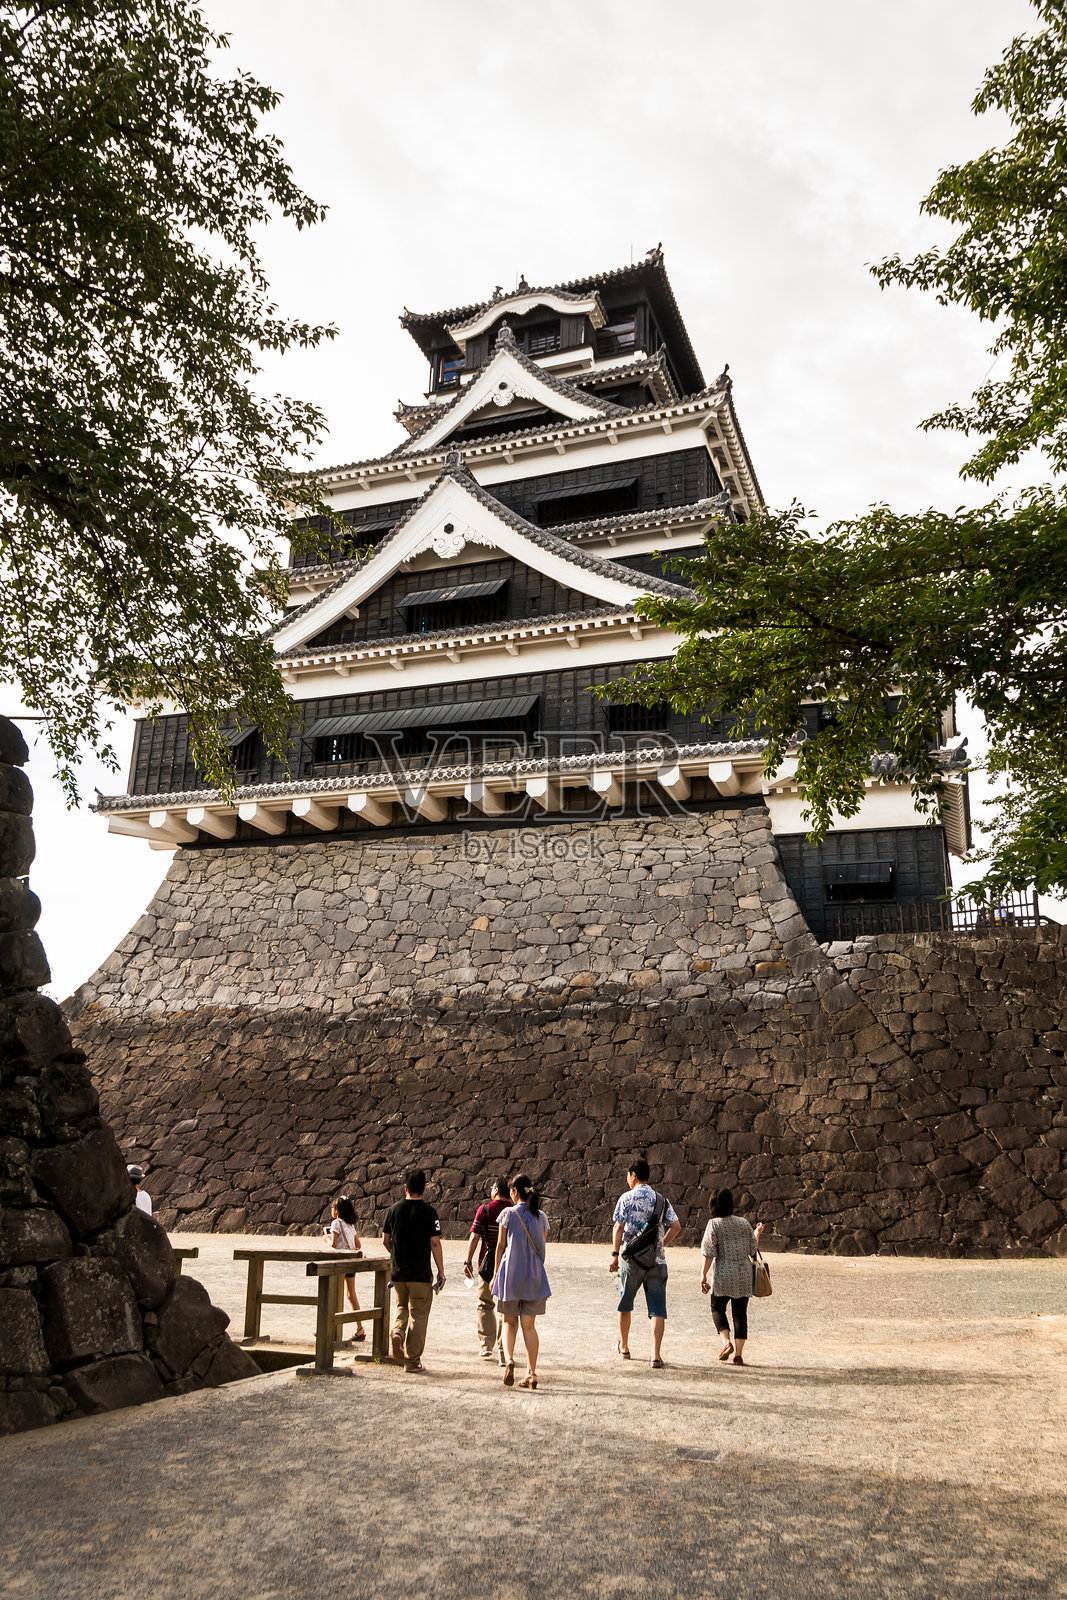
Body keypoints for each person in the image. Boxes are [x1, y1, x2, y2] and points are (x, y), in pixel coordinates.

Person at [609, 1157, 681, 1369]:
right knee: (657, 1308)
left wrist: (615, 1254)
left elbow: (618, 1227)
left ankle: (625, 1347)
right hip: (657, 1260)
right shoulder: (661, 1200)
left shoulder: (626, 1198)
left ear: (633, 1175)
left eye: (627, 1176)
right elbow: (676, 1226)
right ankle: (655, 1355)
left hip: (632, 1260)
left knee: (625, 1303)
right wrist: (662, 1243)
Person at [382, 1170, 444, 1374]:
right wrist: (441, 1271)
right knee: (418, 1315)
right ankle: (412, 1361)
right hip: (420, 1274)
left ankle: (397, 1332)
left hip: (398, 1274)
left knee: (401, 1306)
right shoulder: (429, 1212)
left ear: (405, 1188)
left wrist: (396, 1255)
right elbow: (435, 1243)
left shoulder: (393, 1210)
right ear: (424, 1189)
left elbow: (385, 1240)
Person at [491, 1174, 550, 1390]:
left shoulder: (507, 1214)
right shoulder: (541, 1217)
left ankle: (509, 1361)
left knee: (508, 1322)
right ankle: (532, 1373)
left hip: (511, 1275)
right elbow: (541, 1247)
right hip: (533, 1276)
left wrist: (495, 1275)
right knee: (529, 1326)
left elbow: (500, 1247)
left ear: (515, 1191)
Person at [700, 1188, 764, 1366]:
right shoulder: (743, 1223)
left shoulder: (714, 1224)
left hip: (723, 1274)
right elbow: (752, 1250)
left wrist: (703, 1275)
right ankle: (738, 1354)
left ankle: (726, 1342)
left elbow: (708, 1253)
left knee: (717, 1308)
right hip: (744, 1274)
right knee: (740, 1314)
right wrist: (757, 1233)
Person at [463, 1177, 510, 1363]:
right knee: (505, 1308)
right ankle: (503, 1349)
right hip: (509, 1264)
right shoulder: (514, 1211)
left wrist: (467, 1262)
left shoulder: (485, 1210)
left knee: (485, 1303)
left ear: (496, 1190)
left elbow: (474, 1237)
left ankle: (486, 1345)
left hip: (487, 1264)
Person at [323, 1195, 365, 1343]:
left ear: (338, 1210)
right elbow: (358, 1245)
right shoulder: (350, 1225)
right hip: (351, 1262)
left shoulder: (336, 1223)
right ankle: (360, 1328)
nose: (331, 1209)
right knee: (351, 1294)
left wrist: (326, 1239)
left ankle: (328, 1329)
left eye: (333, 1207)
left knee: (334, 1294)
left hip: (341, 1262)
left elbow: (334, 1244)